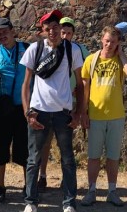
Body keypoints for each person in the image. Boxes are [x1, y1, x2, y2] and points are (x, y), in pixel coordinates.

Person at [20, 9, 85, 212]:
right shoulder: (34, 49)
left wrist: (78, 114)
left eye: (56, 27)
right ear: (43, 31)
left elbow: (81, 85)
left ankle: (69, 202)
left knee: (67, 159)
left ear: (61, 28)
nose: (52, 32)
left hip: (63, 113)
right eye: (48, 29)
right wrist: (27, 113)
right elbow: (26, 84)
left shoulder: (72, 49)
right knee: (33, 160)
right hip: (39, 111)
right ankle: (30, 202)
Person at [80, 26, 127, 207]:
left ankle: (112, 191)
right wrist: (83, 113)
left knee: (113, 156)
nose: (109, 44)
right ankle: (91, 191)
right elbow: (85, 89)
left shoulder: (120, 60)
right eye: (106, 40)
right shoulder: (91, 60)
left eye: (113, 42)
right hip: (96, 116)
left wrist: (121, 54)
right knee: (94, 156)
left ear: (118, 43)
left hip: (116, 116)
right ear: (101, 40)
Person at [38, 17, 89, 192]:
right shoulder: (46, 48)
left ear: (73, 33)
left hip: (70, 103)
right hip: (49, 103)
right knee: (44, 143)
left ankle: (65, 181)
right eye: (63, 32)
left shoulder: (78, 50)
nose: (65, 35)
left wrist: (81, 108)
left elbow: (85, 77)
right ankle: (42, 177)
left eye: (69, 32)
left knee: (65, 145)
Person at [0, 18, 30, 204]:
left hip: (24, 108)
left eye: (4, 31)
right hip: (1, 107)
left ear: (13, 31)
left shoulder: (28, 49)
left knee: (26, 150)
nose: (2, 35)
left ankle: (29, 188)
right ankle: (0, 188)